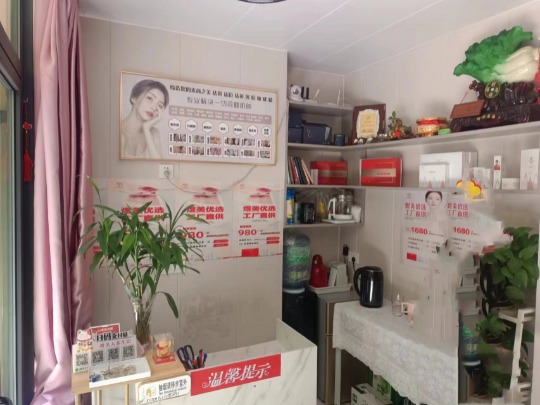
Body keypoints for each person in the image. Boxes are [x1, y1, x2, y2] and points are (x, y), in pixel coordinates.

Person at [122, 80, 169, 159]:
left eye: (160, 105)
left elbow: (159, 164)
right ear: (134, 98)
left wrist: (146, 128)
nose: (154, 108)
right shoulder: (119, 132)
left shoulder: (153, 133)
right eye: (149, 98)